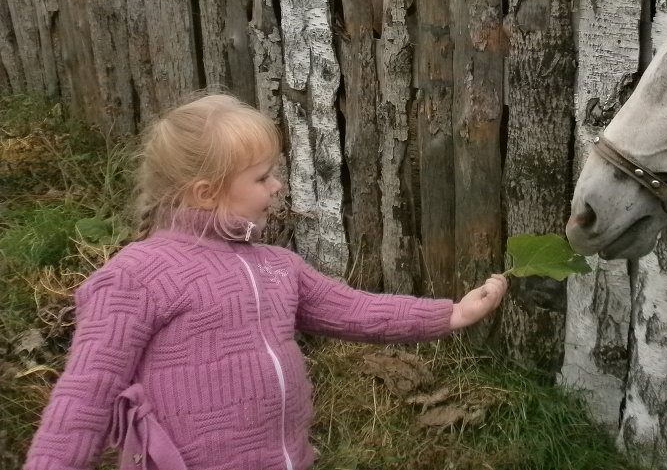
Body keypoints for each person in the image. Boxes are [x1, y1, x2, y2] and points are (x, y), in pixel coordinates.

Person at [23, 92, 507, 470]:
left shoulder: (275, 265)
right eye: (261, 177)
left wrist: (450, 313)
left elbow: (353, 309)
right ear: (207, 193)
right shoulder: (138, 275)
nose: (276, 186)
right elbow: (85, 393)